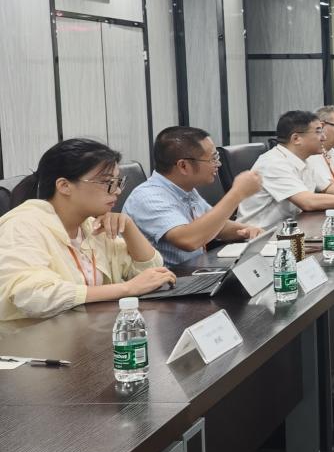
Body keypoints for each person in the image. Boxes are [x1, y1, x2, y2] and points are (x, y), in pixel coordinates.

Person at [0, 139, 174, 320]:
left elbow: (153, 274)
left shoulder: (91, 225)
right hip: (31, 335)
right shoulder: (21, 226)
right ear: (64, 186)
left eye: (117, 182)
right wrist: (126, 289)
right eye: (107, 182)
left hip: (86, 329)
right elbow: (34, 296)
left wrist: (129, 227)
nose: (117, 191)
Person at [124, 127, 266, 267]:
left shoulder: (184, 189)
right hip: (171, 279)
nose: (218, 164)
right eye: (213, 158)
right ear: (183, 166)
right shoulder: (148, 198)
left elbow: (216, 225)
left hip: (195, 271)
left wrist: (246, 230)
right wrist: (237, 194)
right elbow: (188, 240)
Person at [238, 110, 334, 228]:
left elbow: (327, 186)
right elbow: (308, 201)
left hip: (292, 228)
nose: (323, 137)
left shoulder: (304, 158)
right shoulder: (273, 163)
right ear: (296, 139)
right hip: (259, 238)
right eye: (318, 132)